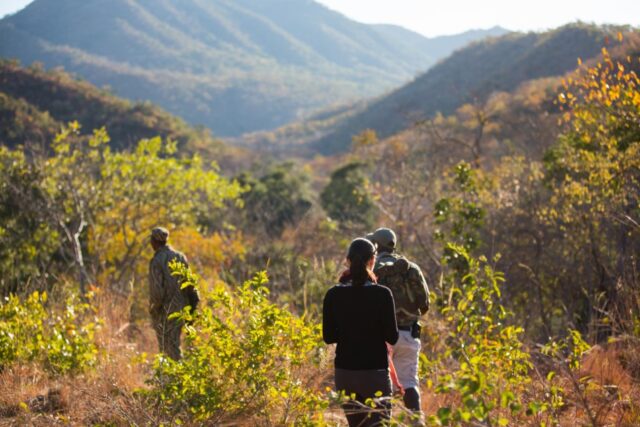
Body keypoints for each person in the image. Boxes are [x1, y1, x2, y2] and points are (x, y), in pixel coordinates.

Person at [323, 238, 399, 426]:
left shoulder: (333, 294)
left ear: (347, 260)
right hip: (375, 374)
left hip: (345, 374)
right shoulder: (382, 294)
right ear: (372, 261)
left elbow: (329, 337)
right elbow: (392, 337)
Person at [367, 227, 430, 419]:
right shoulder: (411, 268)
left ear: (376, 246)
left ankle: (385, 423)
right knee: (410, 383)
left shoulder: (371, 269)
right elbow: (425, 305)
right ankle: (416, 421)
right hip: (409, 334)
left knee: (380, 386)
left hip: (381, 339)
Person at [148, 226, 194, 360]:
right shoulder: (180, 257)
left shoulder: (156, 261)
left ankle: (176, 378)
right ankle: (173, 377)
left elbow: (157, 292)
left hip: (165, 311)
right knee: (174, 344)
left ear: (155, 241)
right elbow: (189, 284)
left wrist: (154, 310)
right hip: (181, 309)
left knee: (168, 348)